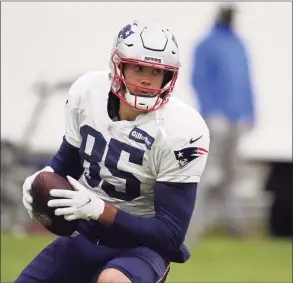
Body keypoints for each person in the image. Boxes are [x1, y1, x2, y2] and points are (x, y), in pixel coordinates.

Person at [17, 20, 210, 283]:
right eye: (139, 67)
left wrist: (100, 209)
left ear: (168, 75)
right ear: (118, 65)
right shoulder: (87, 93)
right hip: (84, 235)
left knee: (113, 281)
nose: (145, 79)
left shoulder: (181, 129)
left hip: (141, 247)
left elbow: (170, 234)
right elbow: (68, 162)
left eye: (155, 71)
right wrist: (45, 176)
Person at [190, 4, 255, 238]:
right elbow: (199, 79)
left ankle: (235, 225)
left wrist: (250, 112)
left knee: (232, 176)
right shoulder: (206, 44)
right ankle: (194, 226)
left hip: (237, 118)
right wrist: (211, 110)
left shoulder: (239, 44)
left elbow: (246, 81)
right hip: (217, 119)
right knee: (208, 173)